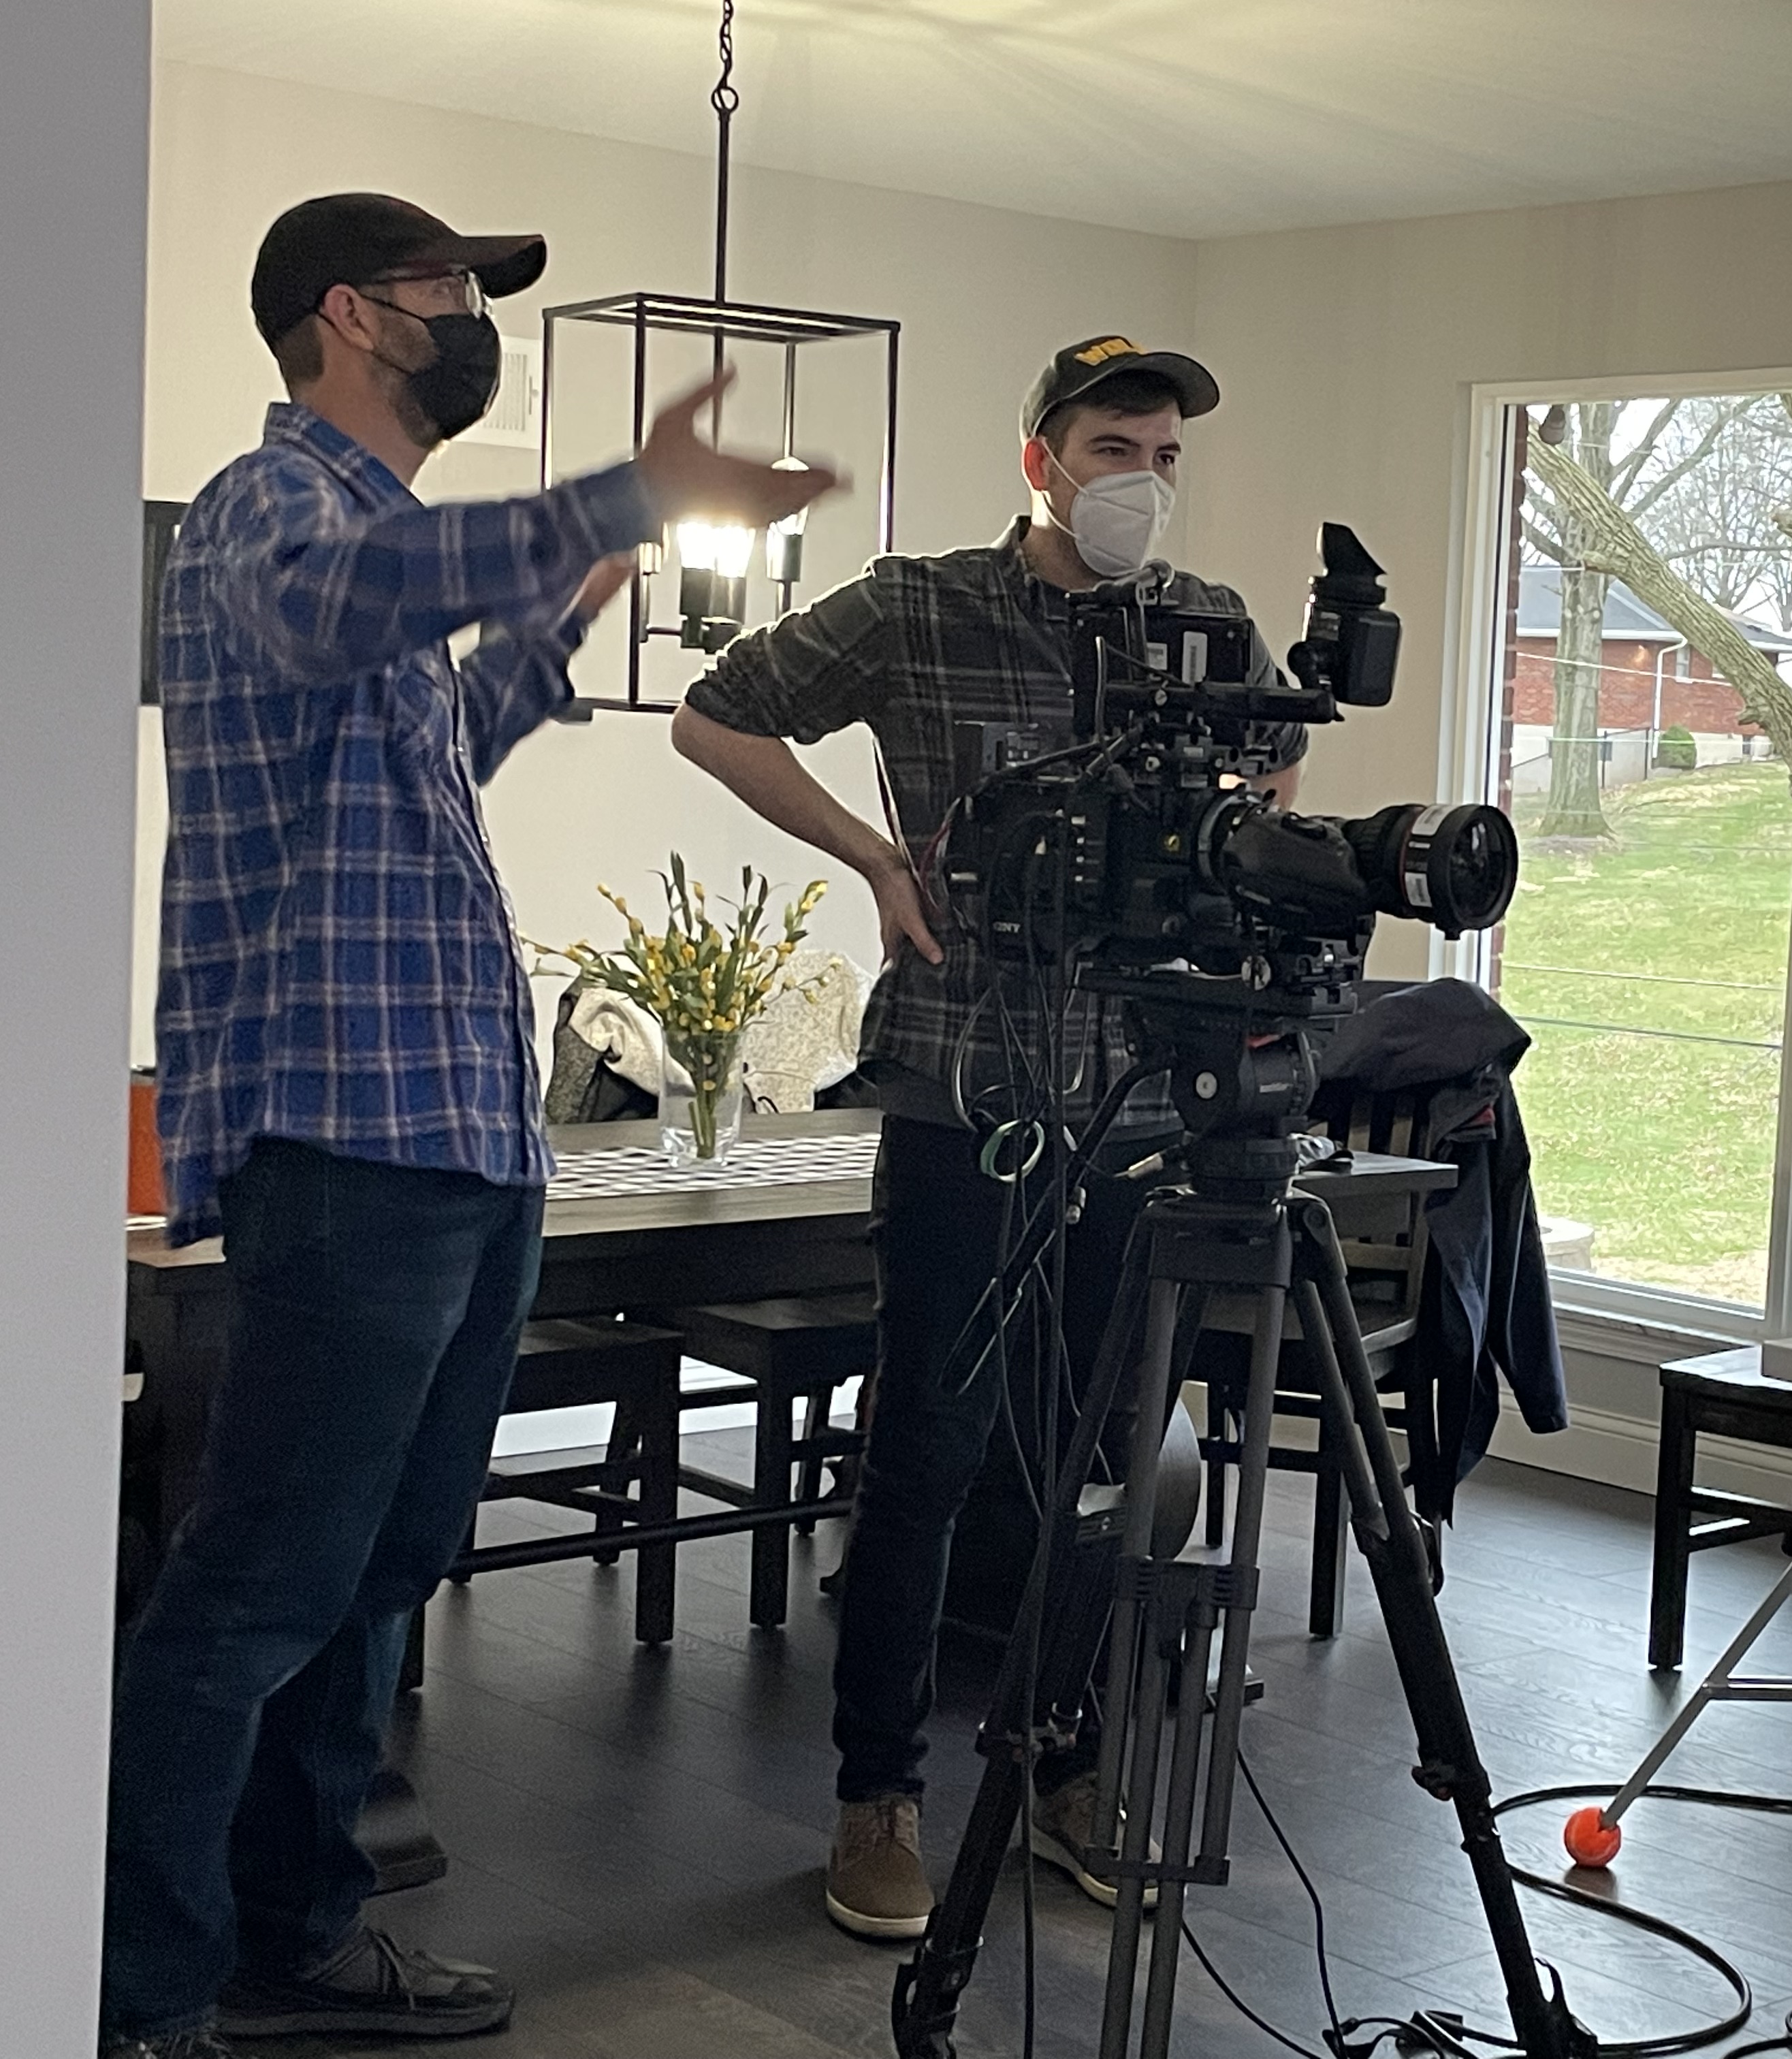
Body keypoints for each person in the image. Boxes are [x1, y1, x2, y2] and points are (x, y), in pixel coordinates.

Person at [102, 193, 833, 2059]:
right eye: (453, 290)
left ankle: (296, 1942)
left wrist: (561, 617)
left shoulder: (382, 559)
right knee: (260, 1586)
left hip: (458, 1145)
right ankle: (135, 1994)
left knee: (374, 1572)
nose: (473, 321)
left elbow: (434, 745)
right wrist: (611, 495)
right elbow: (345, 607)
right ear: (352, 315)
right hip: (351, 1145)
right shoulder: (273, 513)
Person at [671, 335, 1304, 1941]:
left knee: (1094, 1455)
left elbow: (1277, 767)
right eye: (1113, 449)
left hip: (1139, 1102)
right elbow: (719, 717)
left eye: (1164, 456)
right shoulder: (919, 607)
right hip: (966, 1091)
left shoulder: (1206, 626)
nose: (1142, 482)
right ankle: (877, 1795)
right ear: (1042, 461)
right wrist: (876, 858)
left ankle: (1067, 1765)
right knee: (933, 1450)